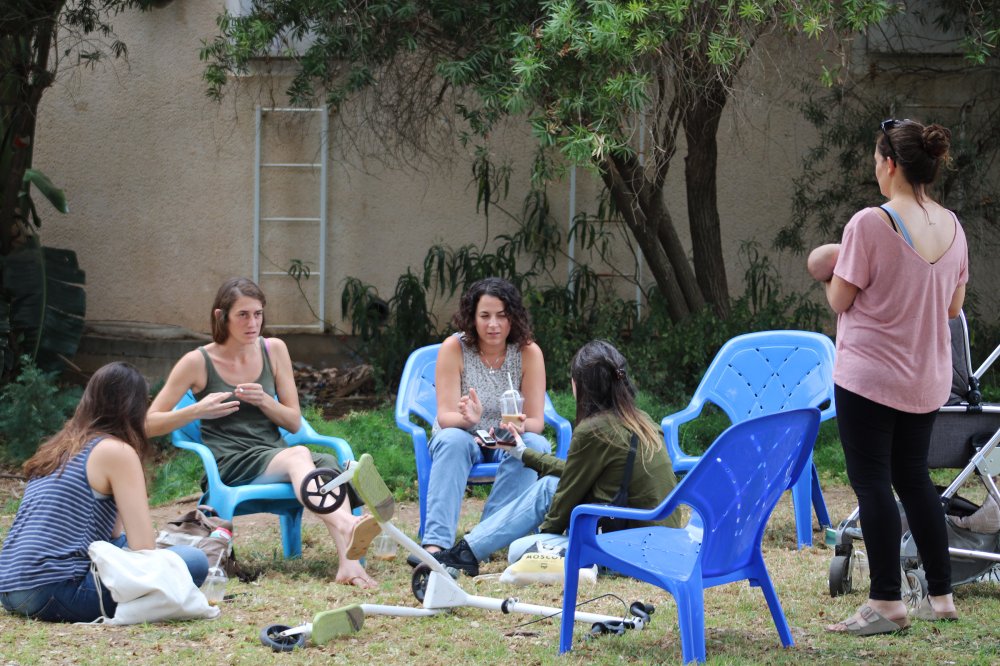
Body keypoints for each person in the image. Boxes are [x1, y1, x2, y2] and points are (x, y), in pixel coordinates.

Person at [814, 119, 967, 635]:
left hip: (869, 378)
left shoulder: (868, 223)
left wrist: (833, 264)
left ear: (890, 164)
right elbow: (953, 307)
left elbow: (840, 298)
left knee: (873, 482)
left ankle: (885, 602)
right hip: (925, 380)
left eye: (876, 160)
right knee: (914, 479)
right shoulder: (954, 227)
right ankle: (941, 595)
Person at [146, 278, 378, 589]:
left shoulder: (274, 350)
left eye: (258, 314)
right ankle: (348, 523)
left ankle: (348, 567)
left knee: (328, 468)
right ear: (221, 317)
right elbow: (149, 423)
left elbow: (294, 423)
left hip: (276, 454)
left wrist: (265, 401)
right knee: (300, 455)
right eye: (243, 314)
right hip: (231, 462)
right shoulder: (197, 362)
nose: (252, 322)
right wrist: (197, 411)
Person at [430, 340, 681, 576]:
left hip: (628, 554)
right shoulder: (642, 420)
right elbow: (574, 471)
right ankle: (465, 552)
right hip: (660, 546)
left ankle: (464, 553)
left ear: (580, 385)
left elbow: (561, 505)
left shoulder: (594, 430)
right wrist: (522, 453)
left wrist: (543, 537)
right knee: (550, 487)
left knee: (519, 549)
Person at [0, 363, 209, 622]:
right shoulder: (116, 451)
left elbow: (112, 535)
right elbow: (144, 548)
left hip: (9, 588)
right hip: (53, 590)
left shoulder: (61, 445)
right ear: (135, 407)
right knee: (195, 561)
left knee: (134, 549)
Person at [418, 277, 552, 555]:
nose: (494, 324)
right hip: (463, 434)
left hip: (506, 438)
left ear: (513, 318)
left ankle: (481, 540)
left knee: (536, 446)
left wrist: (517, 427)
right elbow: (445, 417)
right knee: (452, 440)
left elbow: (537, 422)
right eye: (485, 316)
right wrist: (468, 418)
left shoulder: (528, 353)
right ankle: (436, 544)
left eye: (502, 316)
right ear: (472, 317)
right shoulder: (453, 348)